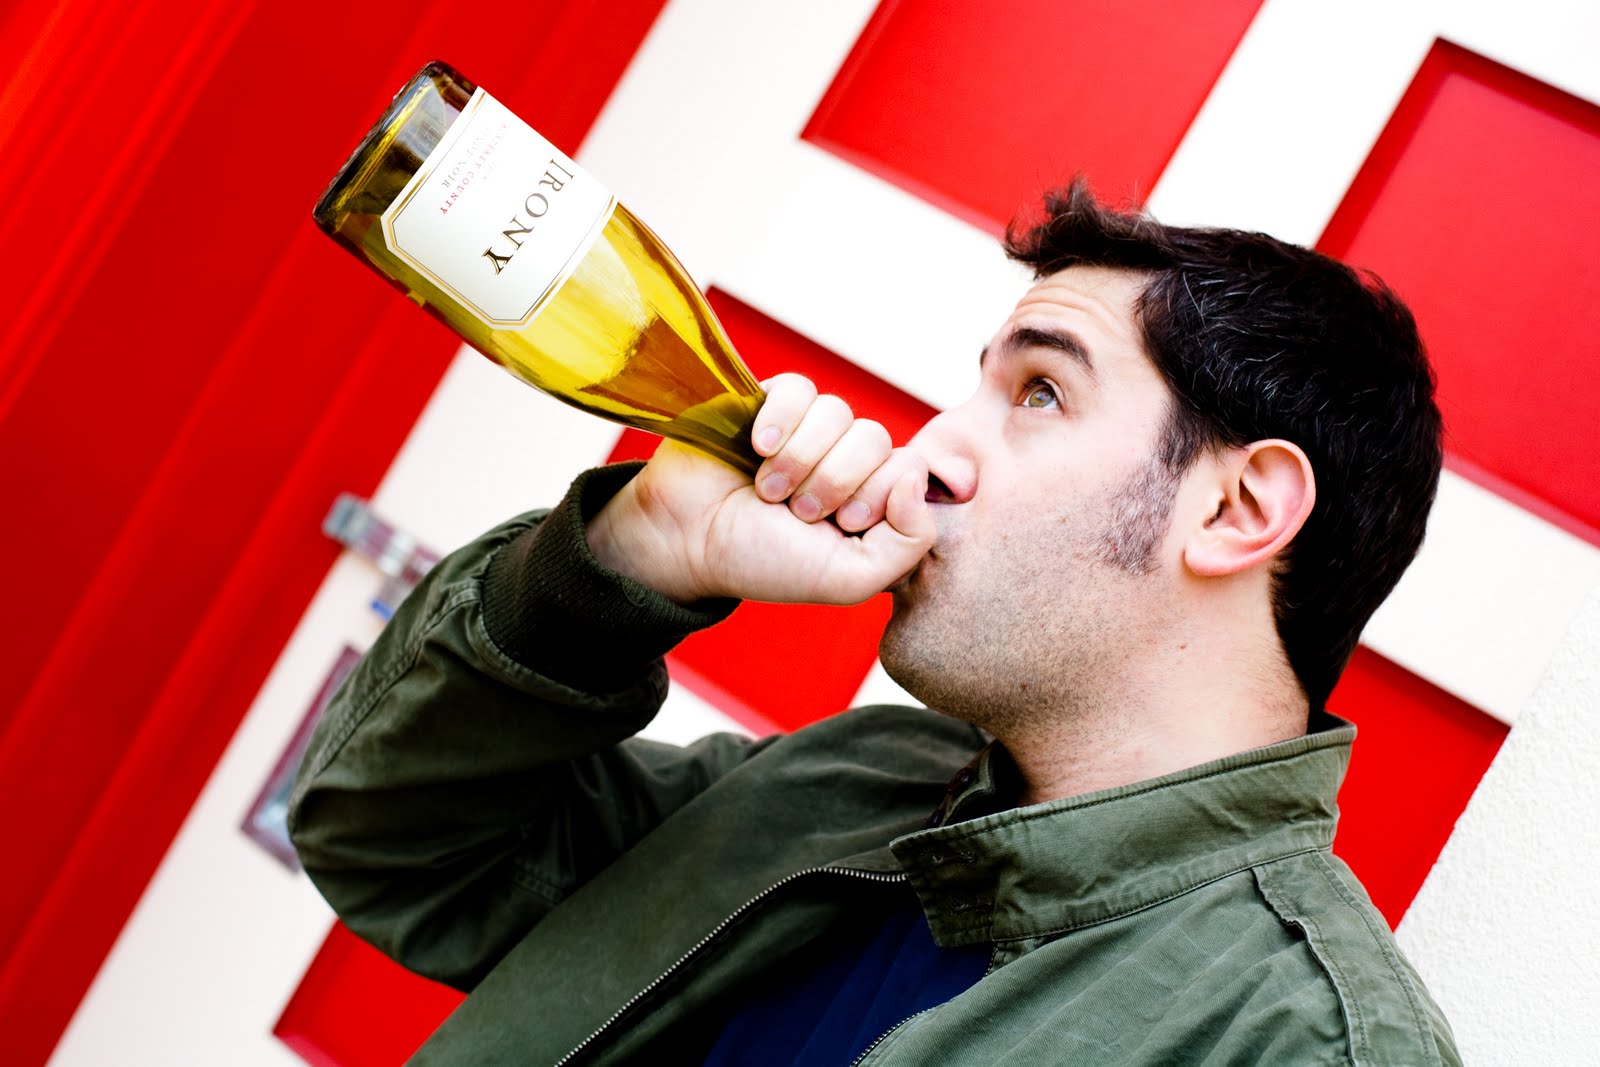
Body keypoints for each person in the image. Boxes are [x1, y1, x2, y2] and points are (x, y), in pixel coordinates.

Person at [289, 179, 1459, 1065]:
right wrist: (625, 558)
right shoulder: (854, 779)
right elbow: (396, 844)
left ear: (1236, 509)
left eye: (1040, 391)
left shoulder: (1295, 1041)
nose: (930, 448)